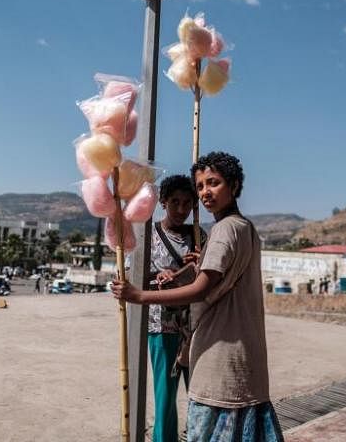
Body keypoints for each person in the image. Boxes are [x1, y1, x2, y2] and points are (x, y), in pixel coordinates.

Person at [113, 152, 284, 442]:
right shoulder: (246, 227)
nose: (205, 192)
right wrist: (195, 263)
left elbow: (204, 287)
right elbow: (222, 277)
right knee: (167, 399)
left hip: (218, 357)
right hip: (219, 350)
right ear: (163, 203)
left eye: (213, 183)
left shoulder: (219, 230)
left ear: (234, 184)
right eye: (201, 185)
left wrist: (139, 296)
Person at [146, 174, 205, 442]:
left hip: (196, 327)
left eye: (187, 203)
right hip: (162, 325)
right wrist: (158, 278)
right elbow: (134, 276)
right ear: (162, 202)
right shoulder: (149, 235)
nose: (181, 210)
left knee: (200, 394)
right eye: (175, 202)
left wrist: (199, 261)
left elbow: (211, 277)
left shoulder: (199, 236)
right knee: (165, 398)